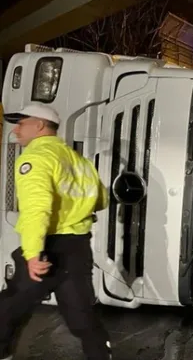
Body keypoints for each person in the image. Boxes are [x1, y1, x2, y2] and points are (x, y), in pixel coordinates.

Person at [0, 104, 111, 360]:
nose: (16, 129)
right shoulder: (78, 161)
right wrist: (76, 210)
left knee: (8, 307)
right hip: (78, 247)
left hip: (48, 248)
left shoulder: (35, 158)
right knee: (82, 318)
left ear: (39, 125)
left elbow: (37, 210)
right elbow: (102, 199)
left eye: (21, 123)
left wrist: (32, 254)